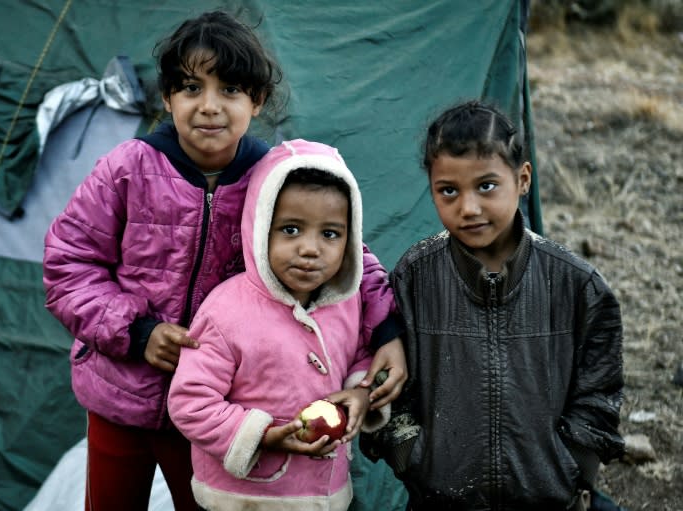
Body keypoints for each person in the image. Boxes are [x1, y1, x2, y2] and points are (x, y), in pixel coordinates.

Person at [42, 10, 406, 511]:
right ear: (168, 97)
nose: (209, 106)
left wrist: (386, 331)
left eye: (230, 89)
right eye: (191, 88)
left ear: (255, 102)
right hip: (118, 394)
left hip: (221, 403)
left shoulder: (273, 176)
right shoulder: (126, 169)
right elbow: (69, 265)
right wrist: (138, 333)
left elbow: (348, 254)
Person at [360, 100, 625, 510]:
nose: (468, 208)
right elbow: (390, 385)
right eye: (448, 190)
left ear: (522, 179)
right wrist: (412, 457)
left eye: (486, 186)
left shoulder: (576, 284)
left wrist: (571, 467)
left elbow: (600, 391)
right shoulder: (415, 277)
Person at [168, 139, 391, 511]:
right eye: (290, 230)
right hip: (243, 499)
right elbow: (191, 402)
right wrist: (263, 435)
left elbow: (360, 356)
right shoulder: (226, 311)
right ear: (259, 229)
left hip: (323, 493)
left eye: (330, 234)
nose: (309, 249)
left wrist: (360, 393)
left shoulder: (347, 303)